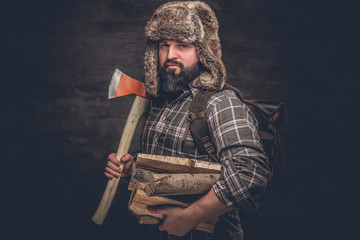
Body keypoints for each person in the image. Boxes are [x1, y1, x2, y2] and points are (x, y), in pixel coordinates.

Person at [104, 1, 270, 239]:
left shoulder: (220, 103)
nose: (170, 55)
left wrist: (189, 217)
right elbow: (173, 166)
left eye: (182, 45)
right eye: (164, 45)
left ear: (203, 52)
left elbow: (250, 174)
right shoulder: (160, 101)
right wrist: (134, 169)